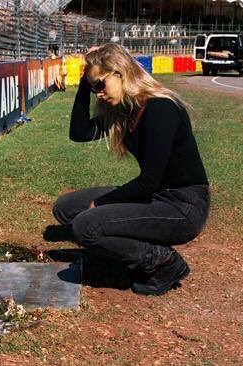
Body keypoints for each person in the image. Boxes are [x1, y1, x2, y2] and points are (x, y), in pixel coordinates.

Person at [53, 43, 210, 296]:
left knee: (85, 225)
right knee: (66, 208)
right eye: (95, 88)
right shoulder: (124, 110)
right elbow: (79, 133)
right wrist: (85, 82)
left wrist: (101, 203)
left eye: (100, 85)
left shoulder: (160, 108)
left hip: (184, 205)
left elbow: (149, 181)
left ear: (120, 72)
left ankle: (162, 261)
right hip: (156, 196)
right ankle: (130, 243)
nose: (99, 94)